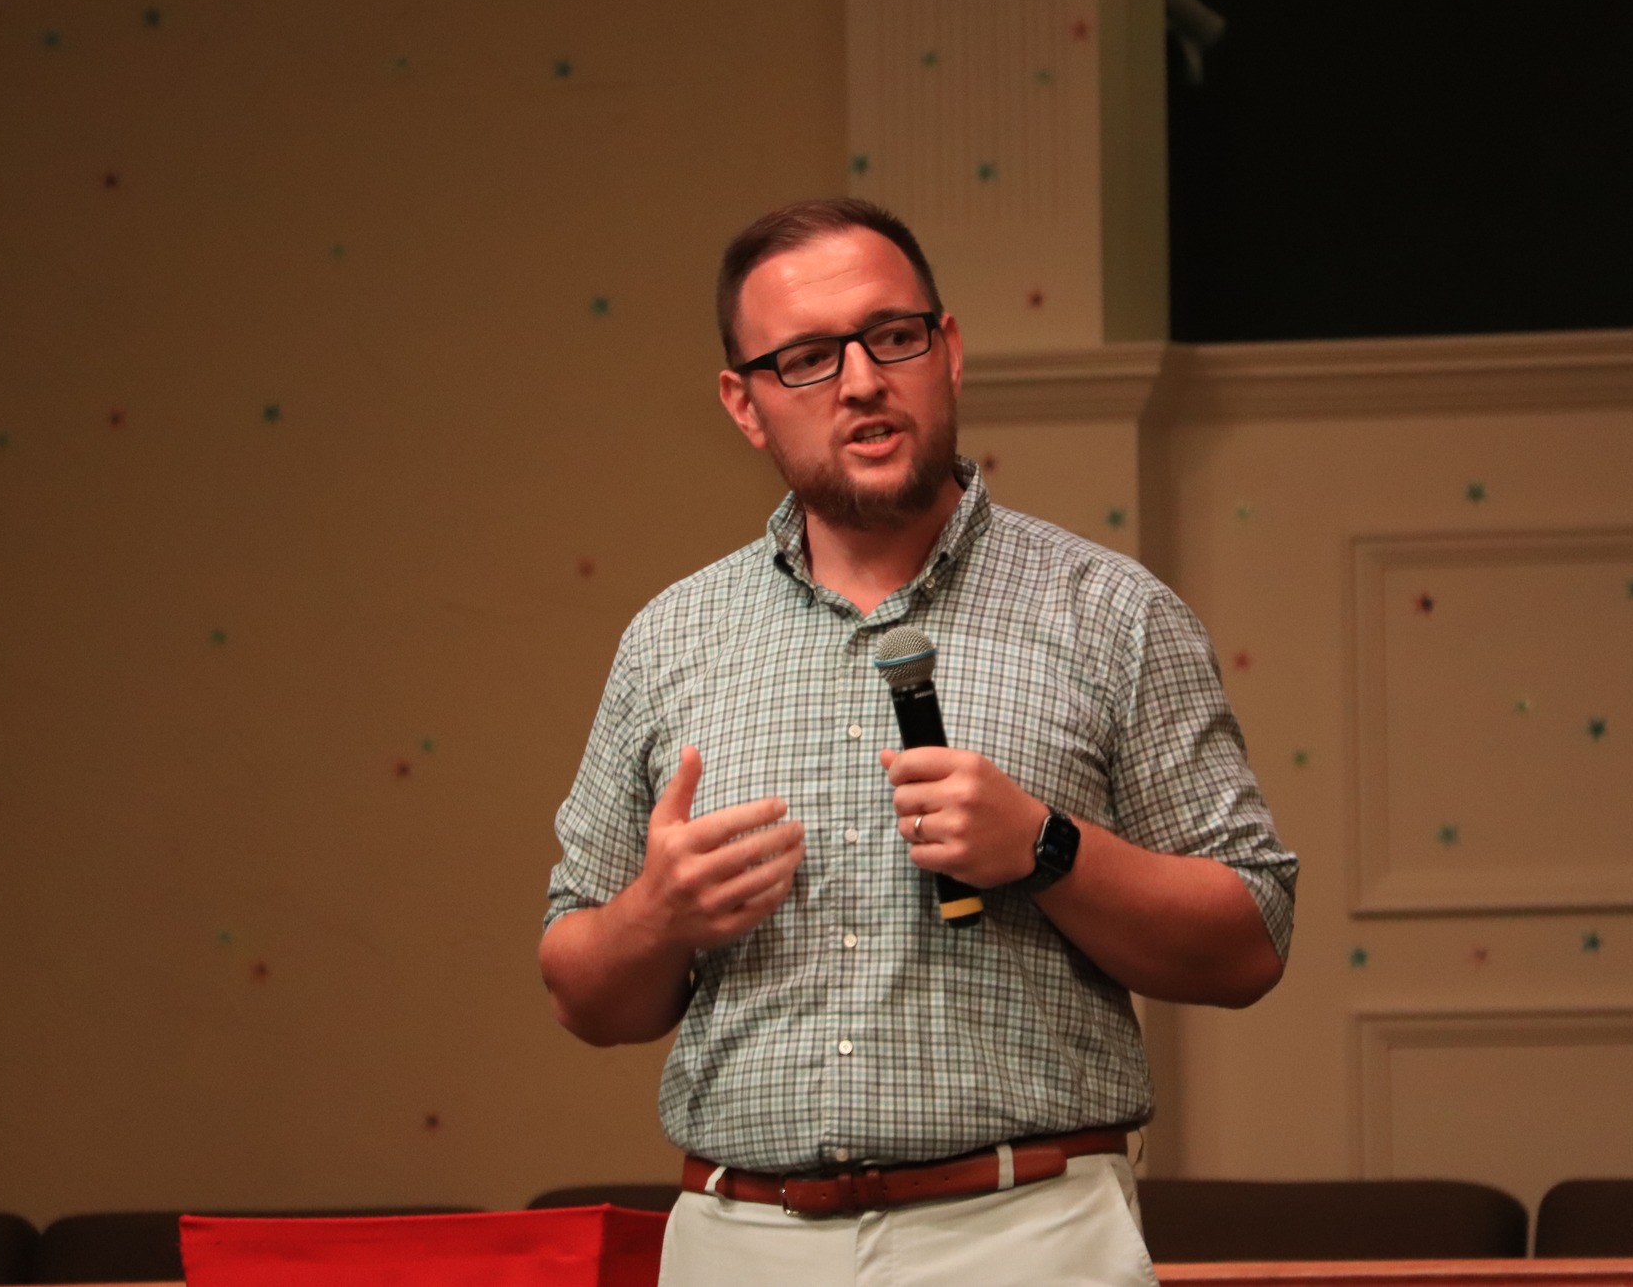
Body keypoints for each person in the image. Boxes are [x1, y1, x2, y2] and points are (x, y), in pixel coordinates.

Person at [539, 198, 1297, 1287]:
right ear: (743, 404)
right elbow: (580, 991)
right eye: (804, 358)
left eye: (890, 336)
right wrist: (654, 919)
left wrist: (1044, 848)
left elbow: (1249, 941)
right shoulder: (671, 640)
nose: (858, 381)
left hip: (1023, 1230)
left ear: (945, 352)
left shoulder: (1111, 614)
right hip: (740, 1240)